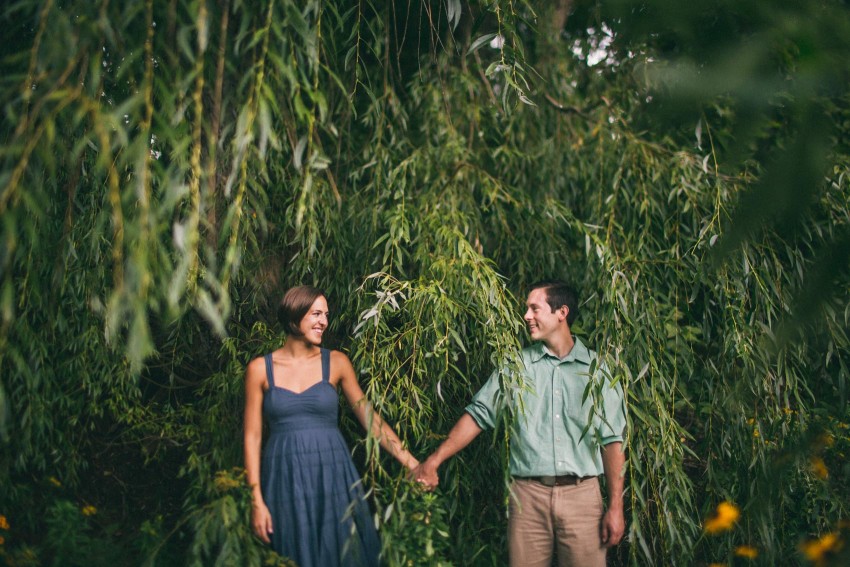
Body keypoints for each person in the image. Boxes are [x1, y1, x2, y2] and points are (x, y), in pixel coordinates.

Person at [413, 281, 626, 567]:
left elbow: (612, 442)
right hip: (528, 497)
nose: (526, 315)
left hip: (582, 497)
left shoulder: (597, 371)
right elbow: (479, 415)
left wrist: (615, 506)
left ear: (561, 312)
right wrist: (434, 461)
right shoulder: (516, 366)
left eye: (534, 308)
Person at [244, 285, 419, 567]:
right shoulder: (259, 370)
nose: (324, 321)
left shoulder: (336, 363)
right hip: (285, 479)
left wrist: (411, 463)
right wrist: (256, 500)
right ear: (293, 315)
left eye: (326, 314)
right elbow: (252, 437)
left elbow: (371, 421)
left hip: (332, 475)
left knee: (342, 552)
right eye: (315, 313)